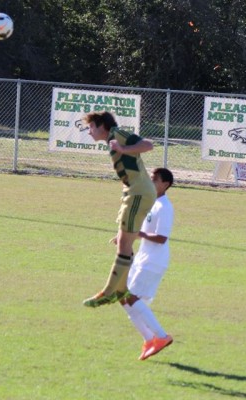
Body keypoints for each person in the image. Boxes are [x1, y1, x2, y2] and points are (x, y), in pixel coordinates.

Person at [81, 111, 157, 307]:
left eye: (90, 127)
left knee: (124, 245)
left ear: (101, 125)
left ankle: (107, 292)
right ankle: (121, 289)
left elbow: (148, 145)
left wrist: (123, 148)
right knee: (123, 244)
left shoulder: (117, 135)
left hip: (138, 193)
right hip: (134, 192)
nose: (88, 132)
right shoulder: (112, 138)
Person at [116, 168, 175, 360]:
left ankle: (162, 336)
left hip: (154, 261)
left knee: (129, 297)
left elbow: (161, 238)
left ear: (165, 184)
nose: (150, 183)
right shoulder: (151, 203)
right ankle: (149, 340)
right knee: (122, 297)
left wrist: (136, 235)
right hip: (143, 258)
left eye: (154, 180)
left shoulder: (165, 207)